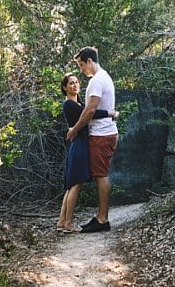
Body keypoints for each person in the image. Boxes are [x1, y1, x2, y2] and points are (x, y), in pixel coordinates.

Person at [66, 46, 117, 233]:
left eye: (81, 65)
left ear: (89, 61)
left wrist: (74, 130)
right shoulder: (103, 77)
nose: (81, 69)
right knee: (99, 174)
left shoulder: (97, 80)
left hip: (102, 135)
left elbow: (90, 110)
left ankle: (102, 220)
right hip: (103, 133)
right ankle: (101, 217)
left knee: (101, 175)